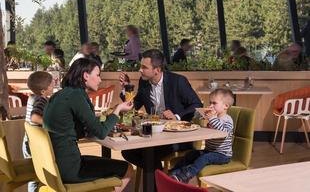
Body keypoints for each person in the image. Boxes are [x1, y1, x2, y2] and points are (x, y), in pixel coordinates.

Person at [43, 59, 133, 192]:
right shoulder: (76, 96)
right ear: (86, 76)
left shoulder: (61, 94)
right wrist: (118, 110)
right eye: (97, 75)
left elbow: (89, 125)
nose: (100, 80)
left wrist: (111, 113)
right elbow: (101, 132)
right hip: (71, 169)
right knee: (127, 169)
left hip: (55, 164)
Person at [119, 49, 203, 170]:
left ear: (157, 70)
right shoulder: (144, 82)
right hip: (155, 134)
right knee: (127, 152)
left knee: (149, 154)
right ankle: (159, 179)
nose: (140, 70)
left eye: (144, 67)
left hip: (178, 137)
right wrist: (126, 87)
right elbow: (134, 105)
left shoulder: (178, 81)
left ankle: (156, 182)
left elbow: (197, 104)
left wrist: (177, 116)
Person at [170, 88, 234, 183]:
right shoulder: (213, 117)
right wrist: (200, 114)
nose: (211, 106)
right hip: (209, 150)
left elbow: (224, 132)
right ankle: (174, 174)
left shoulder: (227, 120)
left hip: (222, 155)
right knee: (191, 154)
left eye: (214, 103)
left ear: (226, 106)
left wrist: (212, 118)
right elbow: (199, 120)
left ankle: (186, 175)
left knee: (204, 158)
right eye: (210, 103)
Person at [22, 71, 55, 192]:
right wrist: (51, 125)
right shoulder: (41, 100)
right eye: (51, 85)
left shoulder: (33, 97)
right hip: (33, 145)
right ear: (43, 91)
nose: (54, 86)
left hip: (28, 142)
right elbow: (35, 117)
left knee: (34, 175)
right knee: (36, 176)